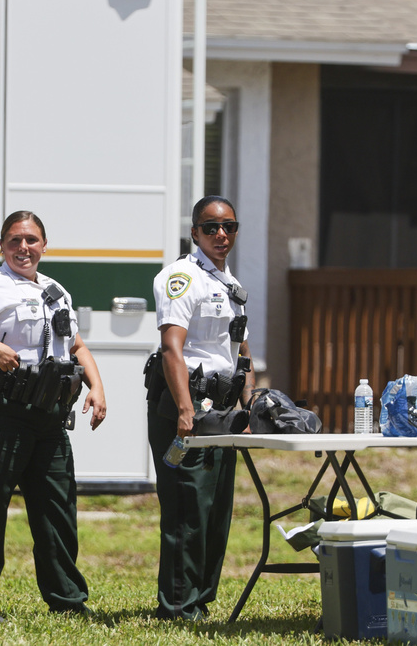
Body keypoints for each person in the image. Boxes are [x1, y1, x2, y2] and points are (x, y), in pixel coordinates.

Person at [0, 210, 107, 622]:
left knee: (58, 508)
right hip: (1, 412)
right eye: (14, 240)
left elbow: (77, 346)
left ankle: (67, 599)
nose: (23, 248)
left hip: (48, 415)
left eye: (31, 240)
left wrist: (97, 387)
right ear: (2, 246)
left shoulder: (56, 290)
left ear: (44, 246)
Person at [145, 195, 256, 621]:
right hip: (186, 406)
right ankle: (176, 604)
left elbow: (240, 350)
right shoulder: (181, 278)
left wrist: (251, 406)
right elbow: (172, 348)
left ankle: (200, 600)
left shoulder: (231, 285)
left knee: (215, 510)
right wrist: (185, 411)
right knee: (186, 508)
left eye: (229, 226)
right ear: (194, 232)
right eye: (210, 228)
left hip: (223, 407)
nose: (221, 235)